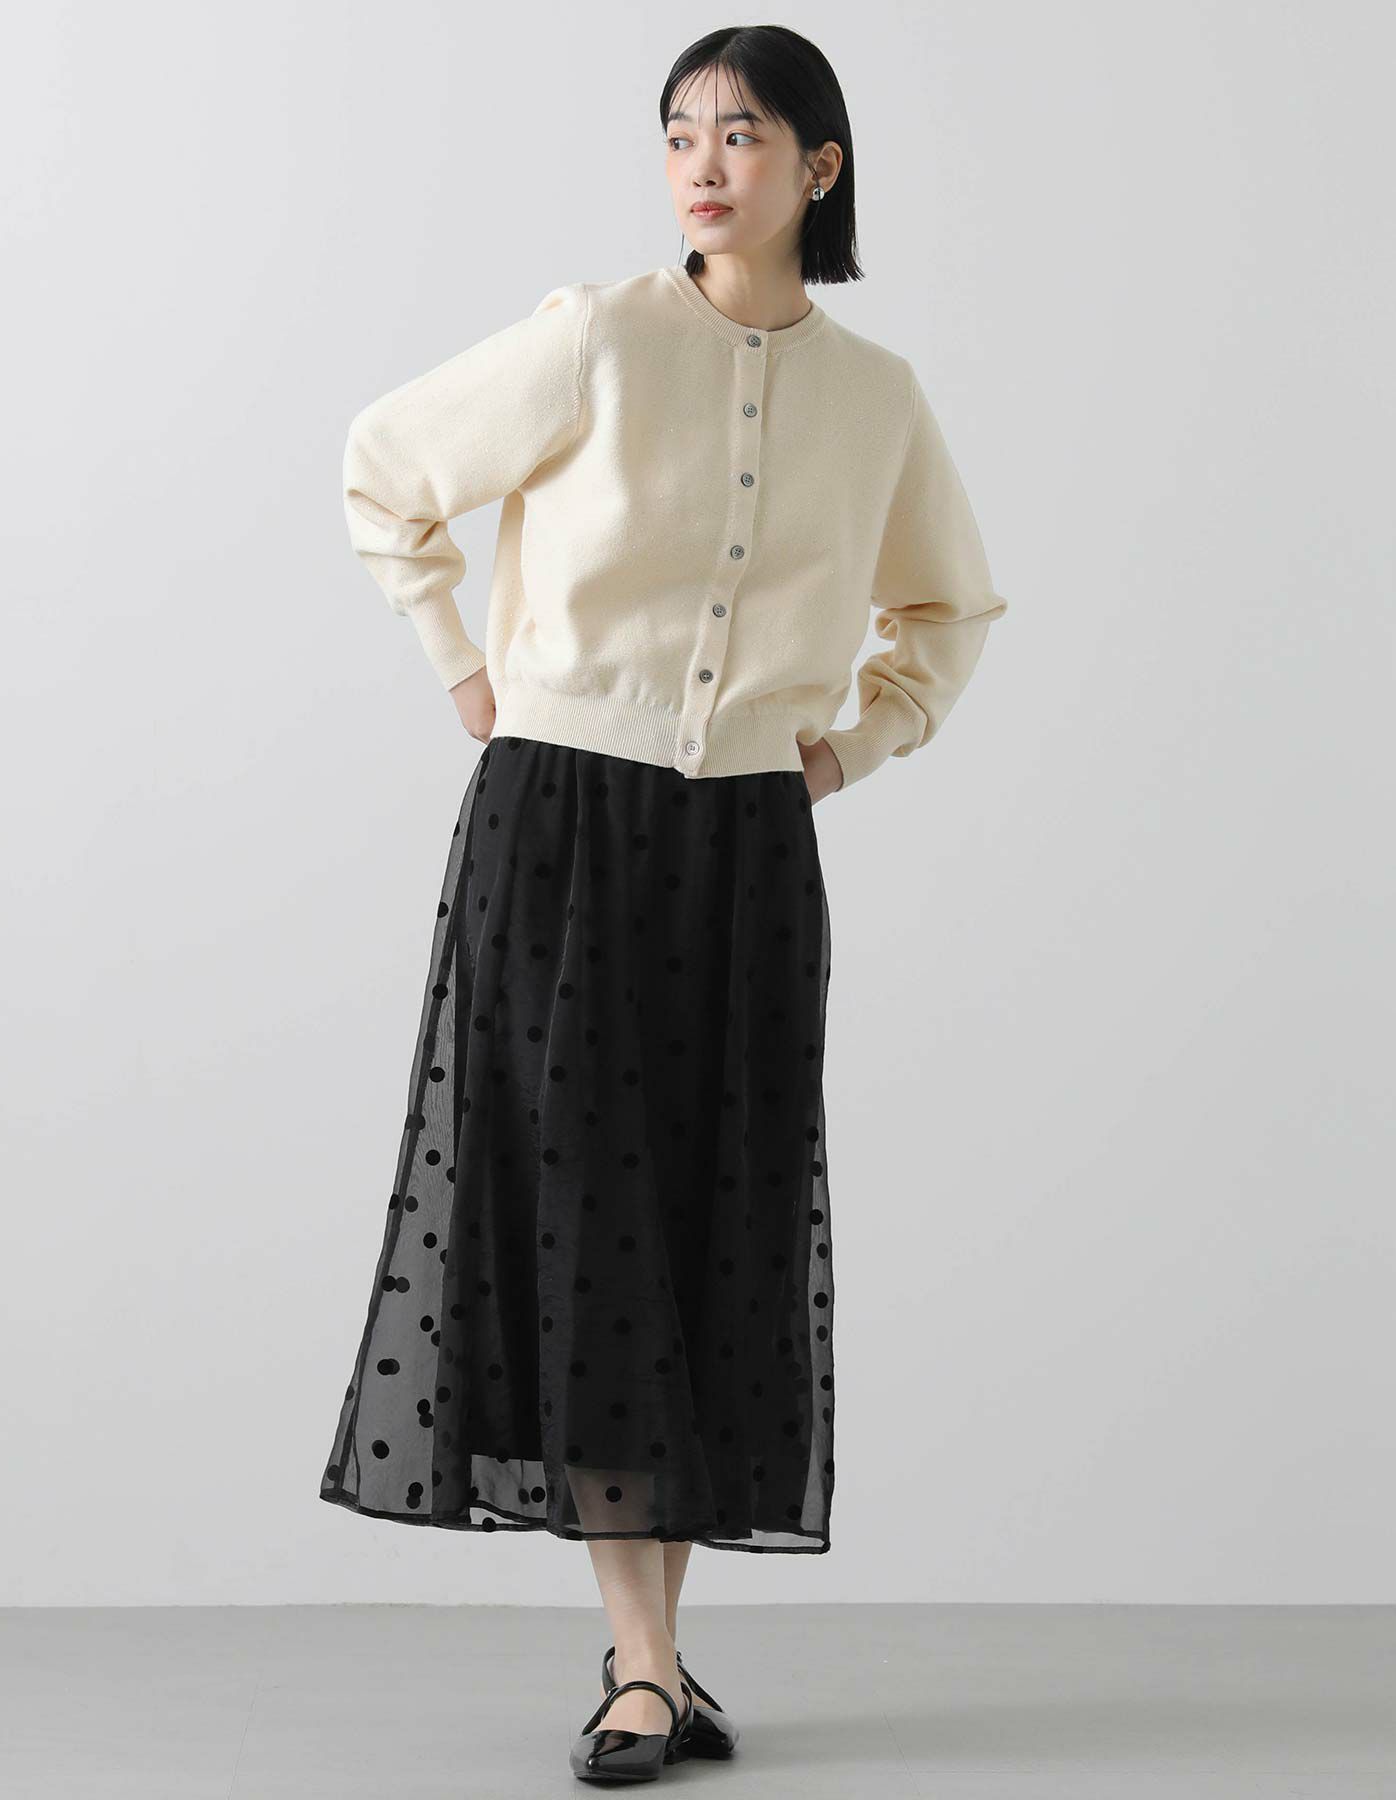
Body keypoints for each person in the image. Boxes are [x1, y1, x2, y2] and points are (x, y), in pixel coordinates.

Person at [317, 23, 1009, 1785]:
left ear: (819, 168)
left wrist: (844, 750)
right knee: (585, 1230)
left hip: (749, 847)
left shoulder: (877, 398)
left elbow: (949, 612)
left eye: (745, 134)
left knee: (709, 1229)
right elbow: (386, 465)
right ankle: (642, 1668)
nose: (706, 164)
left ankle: (660, 1670)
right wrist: (465, 670)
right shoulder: (599, 338)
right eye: (682, 132)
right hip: (560, 826)